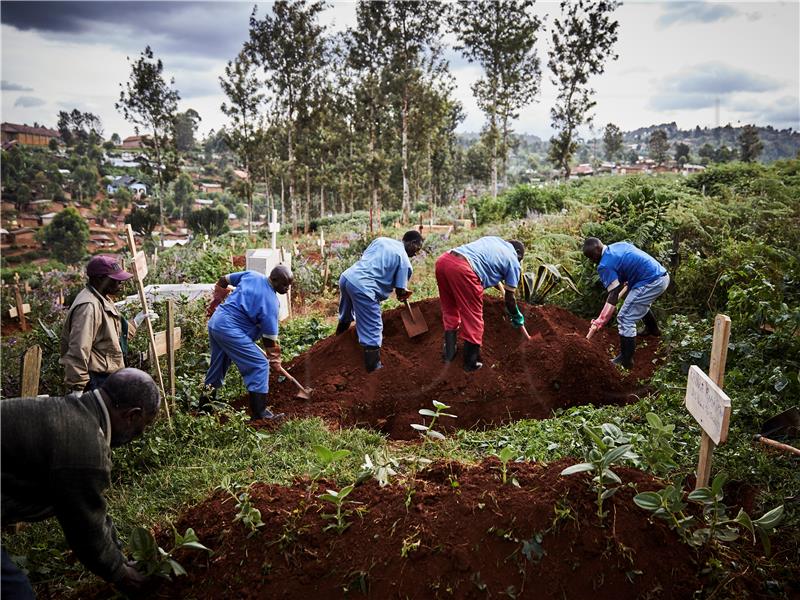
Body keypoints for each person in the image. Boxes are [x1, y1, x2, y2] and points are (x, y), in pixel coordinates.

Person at [1, 368, 161, 599]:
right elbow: (84, 525)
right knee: (15, 593)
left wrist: (118, 556)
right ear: (132, 415)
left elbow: (93, 507)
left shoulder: (76, 409)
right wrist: (120, 573)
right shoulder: (85, 447)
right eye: (143, 426)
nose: (140, 433)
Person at [203, 265, 293, 420]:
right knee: (259, 364)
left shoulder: (252, 275)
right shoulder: (271, 302)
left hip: (216, 322)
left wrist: (217, 300)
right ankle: (260, 413)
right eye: (284, 284)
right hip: (229, 329)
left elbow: (224, 280)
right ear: (274, 279)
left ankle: (204, 406)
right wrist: (275, 360)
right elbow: (270, 339)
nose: (287, 288)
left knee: (218, 364)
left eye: (290, 284)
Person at [60, 255, 156, 393]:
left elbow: (112, 338)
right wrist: (78, 387)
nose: (120, 284)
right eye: (116, 280)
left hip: (106, 377)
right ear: (100, 279)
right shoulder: (88, 307)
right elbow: (78, 348)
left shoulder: (102, 299)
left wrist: (136, 321)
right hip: (95, 380)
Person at [335, 231, 424, 372]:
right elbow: (400, 291)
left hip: (347, 277)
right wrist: (403, 293)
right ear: (412, 243)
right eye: (417, 248)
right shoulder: (404, 261)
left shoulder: (381, 240)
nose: (416, 253)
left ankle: (336, 344)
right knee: (373, 327)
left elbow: (369, 258)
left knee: (346, 314)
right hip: (364, 287)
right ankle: (374, 367)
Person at [435, 236, 526, 372]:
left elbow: (486, 268)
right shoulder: (513, 261)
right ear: (518, 253)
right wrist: (516, 314)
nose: (519, 261)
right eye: (521, 259)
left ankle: (449, 353)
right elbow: (509, 299)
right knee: (473, 317)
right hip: (463, 269)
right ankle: (470, 363)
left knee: (450, 309)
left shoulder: (493, 241)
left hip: (444, 261)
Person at [582, 237, 669, 369]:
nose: (592, 261)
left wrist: (601, 320)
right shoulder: (618, 245)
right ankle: (653, 330)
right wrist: (630, 275)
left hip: (651, 281)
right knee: (635, 303)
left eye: (591, 258)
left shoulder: (604, 265)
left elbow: (614, 293)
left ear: (595, 255)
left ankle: (626, 359)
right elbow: (629, 257)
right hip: (661, 275)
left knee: (625, 317)